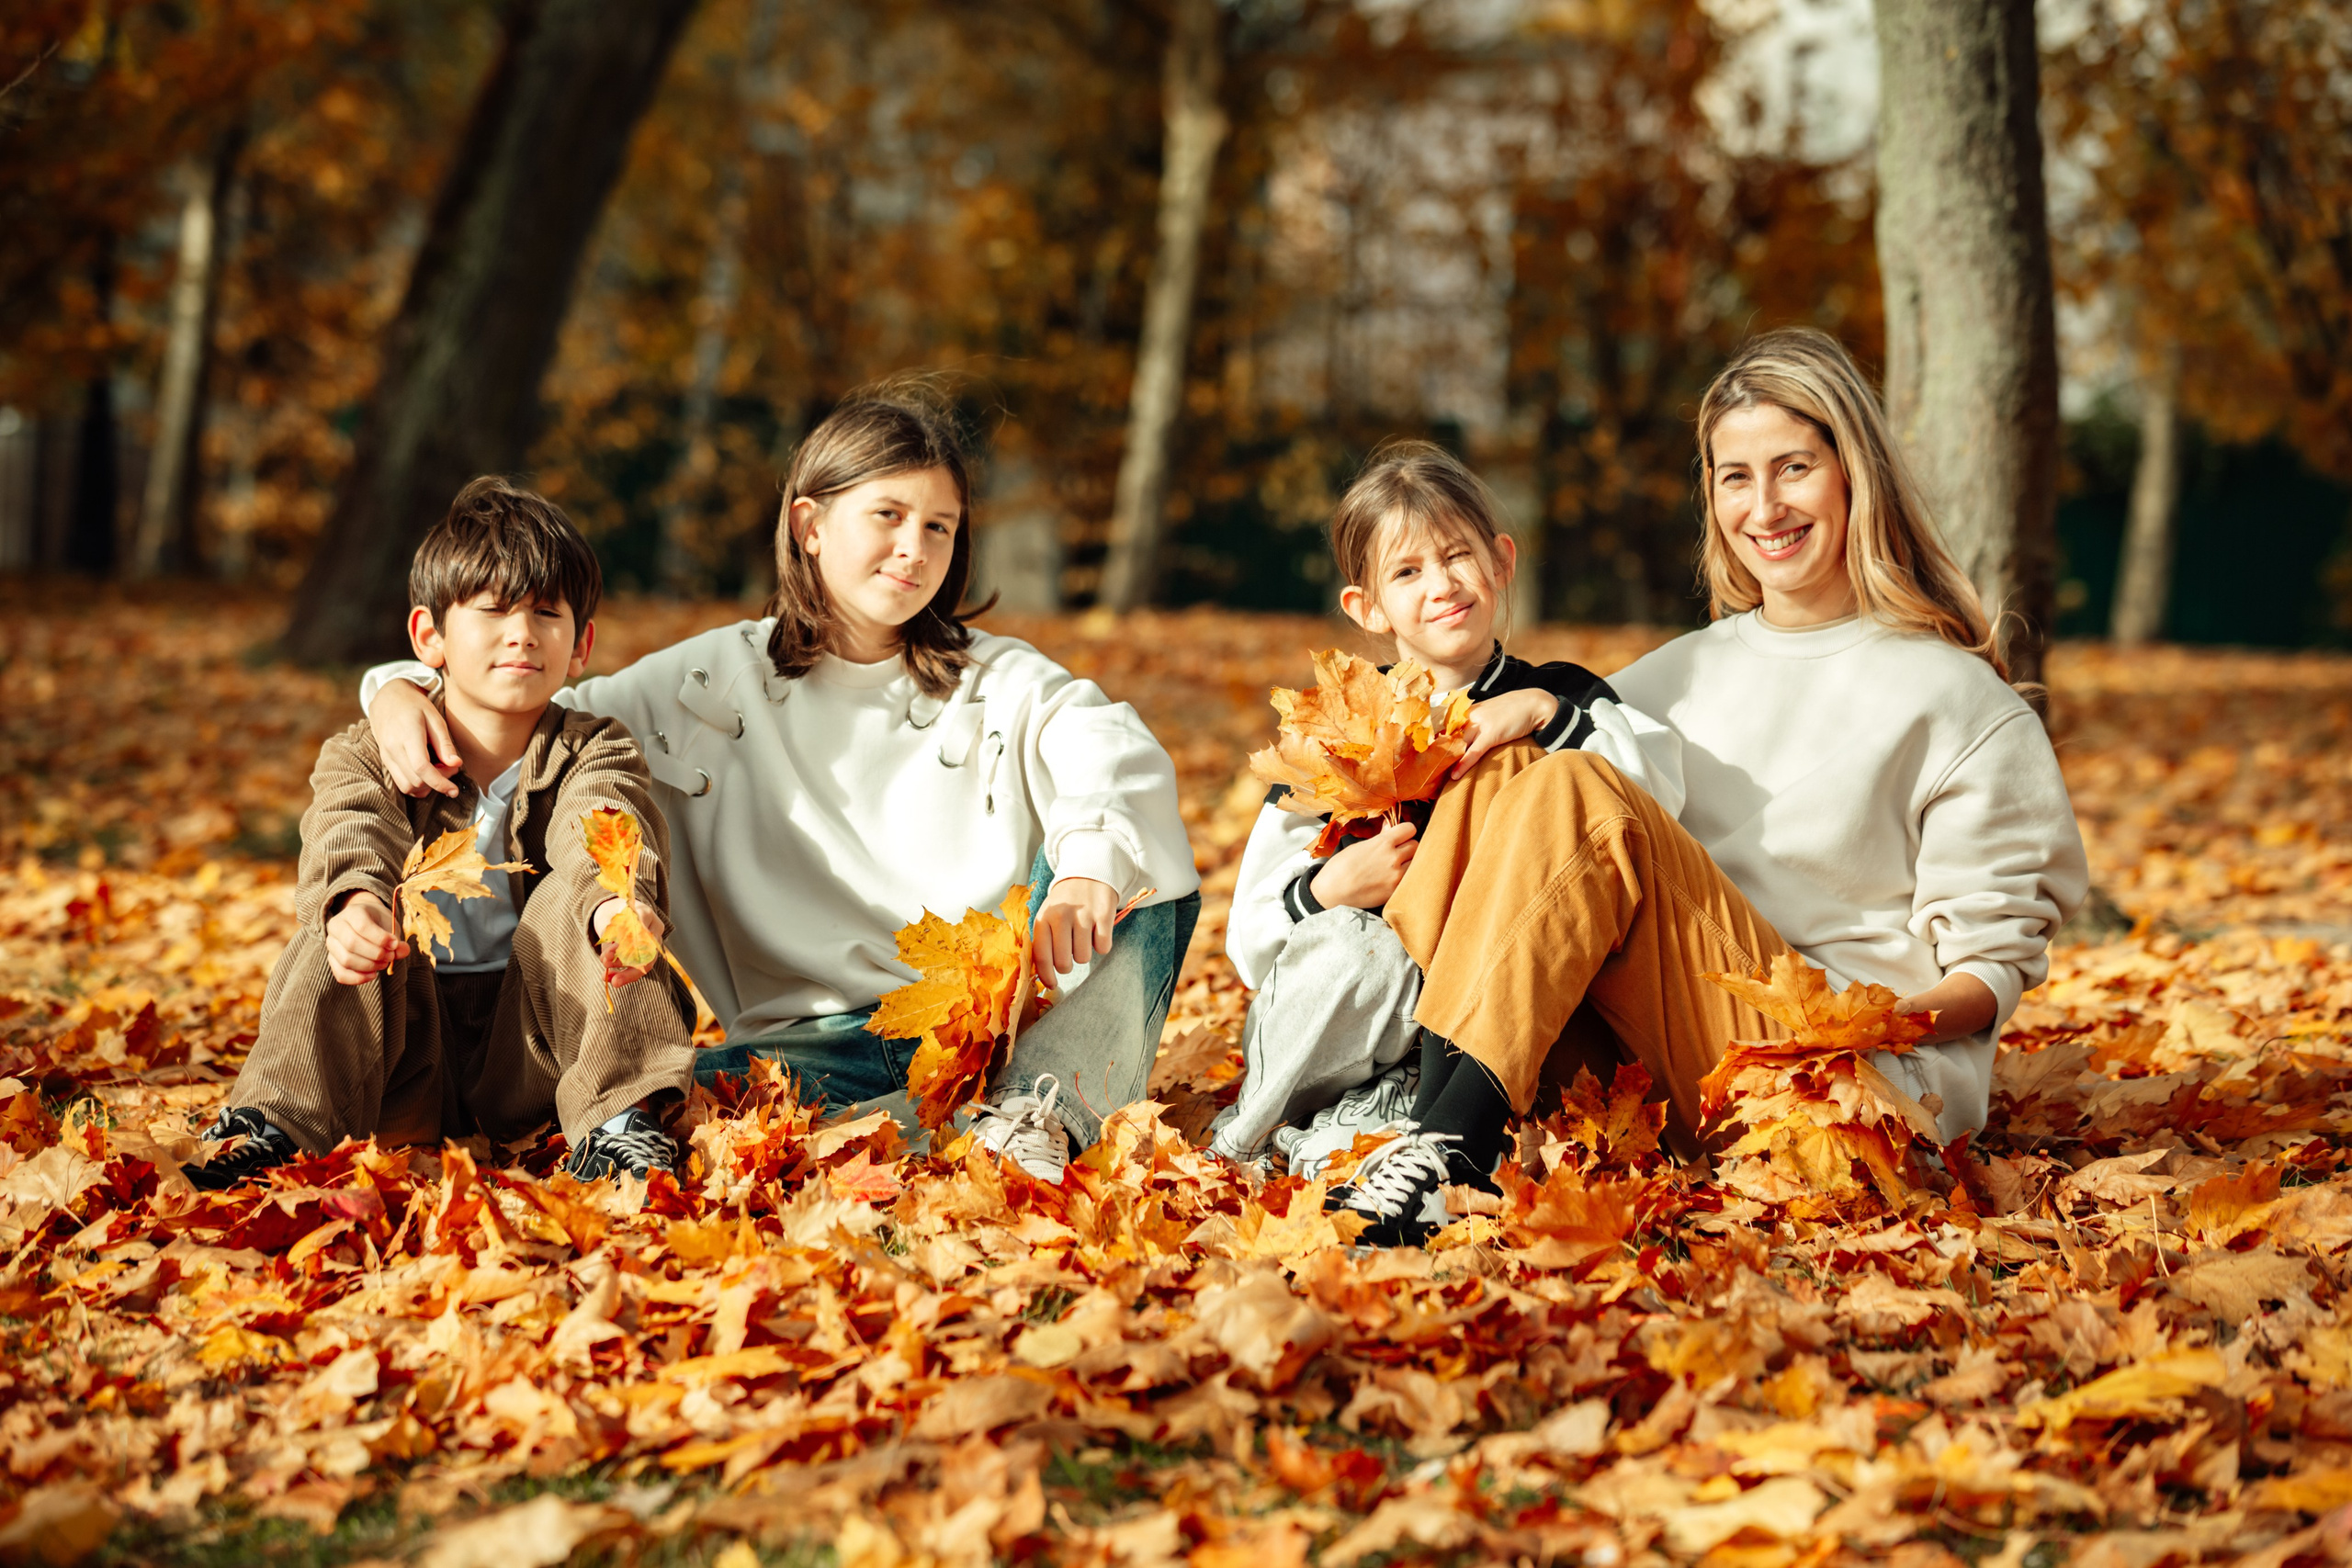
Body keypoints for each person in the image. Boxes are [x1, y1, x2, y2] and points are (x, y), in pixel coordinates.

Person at [1332, 327, 2090, 1246]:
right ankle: (1430, 1131)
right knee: (1512, 765)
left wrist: (1841, 1025)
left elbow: (1988, 973)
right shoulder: (1671, 678)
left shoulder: (1959, 700)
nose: (1764, 506)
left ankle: (1445, 1144)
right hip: (1662, 1085)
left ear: (1855, 472)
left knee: (1567, 774)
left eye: (1794, 468)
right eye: (1736, 477)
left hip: (1847, 1098)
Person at [356, 381, 1201, 1184]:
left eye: (939, 526)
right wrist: (396, 688)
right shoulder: (706, 684)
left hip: (996, 1028)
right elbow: (528, 712)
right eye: (888, 515)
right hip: (804, 1050)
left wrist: (1087, 868)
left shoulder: (1000, 679)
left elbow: (1113, 750)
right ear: (810, 525)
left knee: (1138, 859)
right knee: (650, 1106)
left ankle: (1034, 1113)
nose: (915, 548)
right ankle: (926, 1128)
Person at [192, 478, 698, 1190]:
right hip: (401, 1047)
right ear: (430, 636)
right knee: (339, 924)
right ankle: (271, 1126)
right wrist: (356, 903)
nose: (522, 633)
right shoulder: (369, 750)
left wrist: (617, 902)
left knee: (584, 906)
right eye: (493, 609)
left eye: (546, 612)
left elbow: (605, 818)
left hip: (536, 1047)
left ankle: (620, 1125)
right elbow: (351, 825)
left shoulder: (595, 747)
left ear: (580, 645)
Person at [1214, 441, 1677, 1172]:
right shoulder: (1341, 729)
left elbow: (1647, 810)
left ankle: (1395, 1124)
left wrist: (1545, 713)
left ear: (1501, 561)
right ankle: (1257, 1128)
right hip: (1345, 1021)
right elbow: (1250, 939)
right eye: (1407, 571)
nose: (1442, 584)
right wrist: (1324, 889)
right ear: (1368, 608)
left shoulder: (1563, 695)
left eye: (1458, 555)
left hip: (1493, 1025)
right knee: (1360, 951)